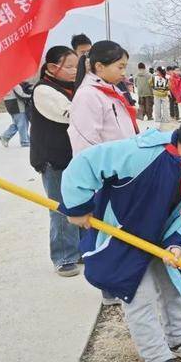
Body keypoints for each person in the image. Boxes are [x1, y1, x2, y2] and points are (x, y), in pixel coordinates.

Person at [60, 109, 181, 362]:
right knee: (139, 299)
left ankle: (178, 340)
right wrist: (78, 207)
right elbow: (84, 164)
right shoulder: (140, 153)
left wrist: (178, 244)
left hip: (162, 240)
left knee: (172, 287)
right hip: (123, 239)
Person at [68, 40, 138, 304]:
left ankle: (117, 281)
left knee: (118, 229)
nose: (123, 72)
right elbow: (85, 144)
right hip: (106, 177)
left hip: (121, 173)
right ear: (99, 66)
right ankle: (109, 289)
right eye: (120, 66)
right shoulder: (88, 96)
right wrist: (95, 182)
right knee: (107, 233)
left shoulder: (108, 89)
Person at [30, 46, 82, 277]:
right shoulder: (44, 91)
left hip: (71, 157)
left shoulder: (69, 87)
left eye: (75, 66)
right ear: (52, 68)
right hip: (53, 159)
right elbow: (70, 114)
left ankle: (79, 250)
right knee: (61, 208)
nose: (74, 71)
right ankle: (63, 257)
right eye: (69, 66)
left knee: (78, 204)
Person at [0, 83, 32, 148]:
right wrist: (31, 96)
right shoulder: (14, 84)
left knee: (17, 123)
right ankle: (25, 142)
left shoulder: (5, 85)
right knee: (22, 124)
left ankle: (5, 137)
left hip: (10, 106)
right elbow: (21, 95)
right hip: (18, 106)